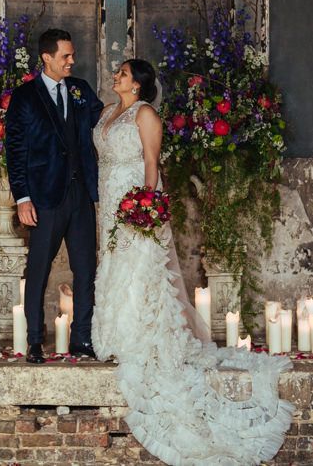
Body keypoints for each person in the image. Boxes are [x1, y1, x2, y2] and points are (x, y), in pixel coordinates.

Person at [92, 58, 293, 465]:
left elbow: (151, 162)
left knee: (140, 269)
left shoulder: (145, 113)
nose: (117, 77)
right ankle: (113, 333)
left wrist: (146, 205)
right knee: (113, 265)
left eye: (124, 73)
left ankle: (140, 338)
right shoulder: (107, 111)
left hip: (134, 200)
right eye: (118, 73)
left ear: (139, 83)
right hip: (109, 200)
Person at [5, 28, 104, 363]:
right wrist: (22, 198)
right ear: (46, 58)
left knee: (86, 270)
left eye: (72, 55)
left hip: (81, 196)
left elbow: (103, 124)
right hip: (44, 197)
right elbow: (15, 150)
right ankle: (35, 340)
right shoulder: (24, 96)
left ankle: (82, 339)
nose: (72, 61)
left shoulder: (81, 90)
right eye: (66, 56)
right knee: (38, 270)